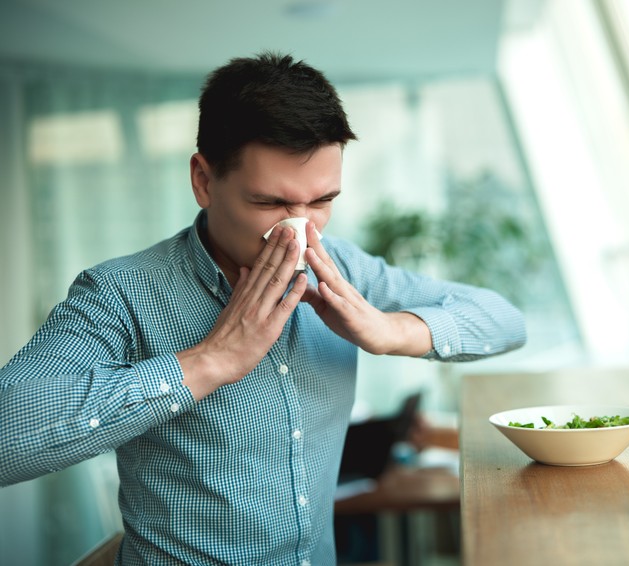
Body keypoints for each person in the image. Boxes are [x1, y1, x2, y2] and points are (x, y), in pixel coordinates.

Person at [0, 52, 526, 565]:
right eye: (271, 203)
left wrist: (392, 331)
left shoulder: (341, 267)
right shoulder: (119, 293)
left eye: (322, 201)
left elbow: (503, 319)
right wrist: (208, 362)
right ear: (204, 180)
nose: (301, 230)